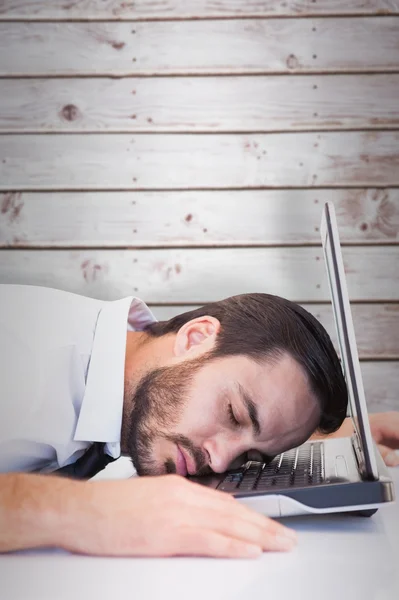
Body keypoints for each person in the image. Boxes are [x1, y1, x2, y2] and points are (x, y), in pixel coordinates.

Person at [0, 284, 398, 559]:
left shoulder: (126, 375)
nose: (222, 462)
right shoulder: (23, 352)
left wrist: (340, 433)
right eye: (234, 414)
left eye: (250, 456)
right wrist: (82, 511)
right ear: (195, 337)